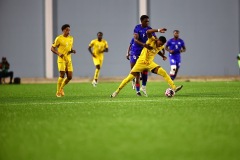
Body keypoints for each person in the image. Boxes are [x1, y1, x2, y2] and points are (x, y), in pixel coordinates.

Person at [110, 28, 183, 98]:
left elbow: (158, 50)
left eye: (161, 45)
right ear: (157, 40)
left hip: (150, 64)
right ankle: (116, 91)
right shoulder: (151, 40)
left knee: (163, 72)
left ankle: (174, 87)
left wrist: (162, 56)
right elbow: (148, 31)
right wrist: (158, 30)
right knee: (128, 78)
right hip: (140, 63)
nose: (160, 45)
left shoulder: (160, 46)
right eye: (159, 43)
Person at [131, 15, 156, 96]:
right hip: (136, 52)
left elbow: (155, 39)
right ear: (141, 21)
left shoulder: (149, 29)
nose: (147, 22)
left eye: (148, 21)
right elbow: (135, 40)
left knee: (145, 72)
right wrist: (144, 44)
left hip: (145, 53)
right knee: (137, 73)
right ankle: (137, 91)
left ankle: (143, 88)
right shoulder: (137, 28)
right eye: (146, 21)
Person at [51, 24, 76, 97]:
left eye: (69, 30)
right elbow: (52, 48)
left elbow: (69, 49)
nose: (68, 31)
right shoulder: (58, 38)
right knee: (62, 74)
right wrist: (58, 53)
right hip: (61, 59)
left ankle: (61, 88)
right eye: (67, 30)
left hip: (68, 60)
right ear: (63, 30)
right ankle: (58, 92)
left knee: (70, 77)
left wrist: (72, 51)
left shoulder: (71, 38)